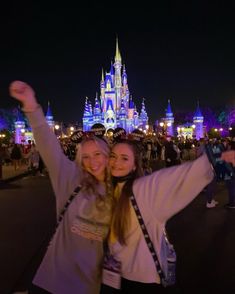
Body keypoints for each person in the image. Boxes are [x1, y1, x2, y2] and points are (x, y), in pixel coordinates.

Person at [9, 81, 113, 294]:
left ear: (108, 156)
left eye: (98, 154)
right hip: (50, 281)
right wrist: (31, 106)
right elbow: (48, 145)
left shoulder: (118, 191)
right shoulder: (70, 177)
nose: (93, 162)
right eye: (85, 156)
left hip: (87, 285)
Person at [100, 138, 215, 293]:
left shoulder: (142, 189)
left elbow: (178, 177)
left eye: (124, 158)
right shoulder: (108, 191)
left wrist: (220, 156)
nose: (116, 162)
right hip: (115, 274)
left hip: (141, 279)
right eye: (113, 156)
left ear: (135, 165)